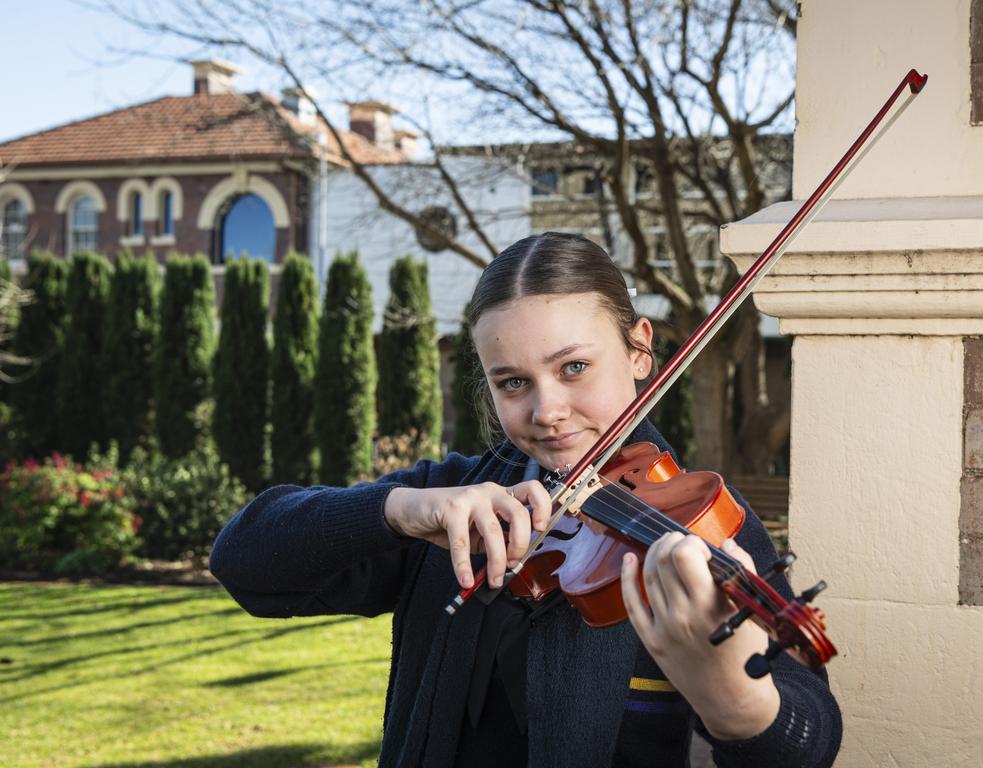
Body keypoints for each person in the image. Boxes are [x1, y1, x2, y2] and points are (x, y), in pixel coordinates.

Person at [210, 232, 842, 767]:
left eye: (573, 368)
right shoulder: (452, 502)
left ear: (640, 349)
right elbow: (245, 560)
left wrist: (733, 697)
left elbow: (812, 738)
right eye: (513, 382)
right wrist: (398, 510)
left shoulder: (698, 524)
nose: (547, 413)